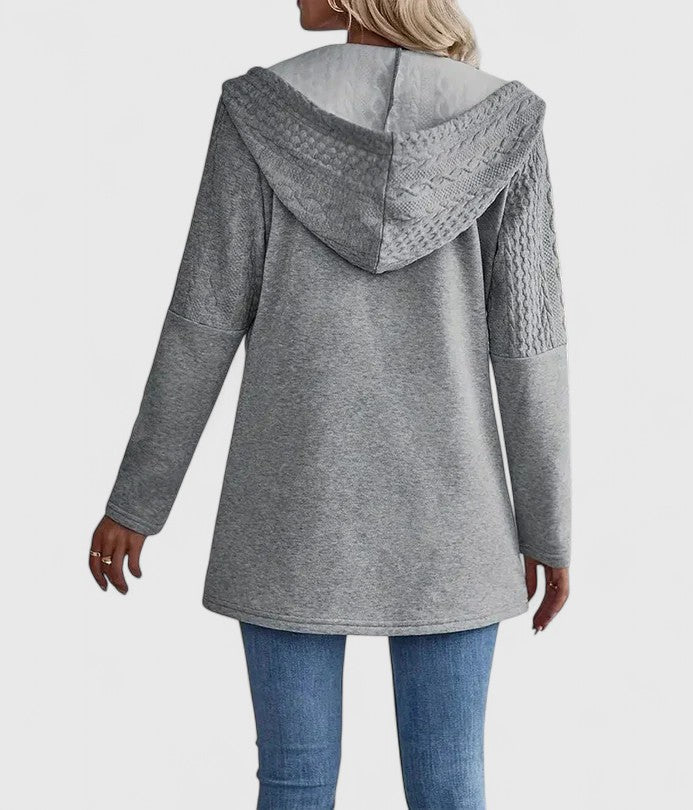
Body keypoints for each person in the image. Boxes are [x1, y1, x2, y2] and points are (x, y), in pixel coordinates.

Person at [89, 1, 571, 806]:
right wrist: (549, 527)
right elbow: (531, 344)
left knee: (294, 782)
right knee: (450, 784)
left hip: (290, 505)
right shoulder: (499, 124)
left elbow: (203, 318)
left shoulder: (260, 113)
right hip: (452, 517)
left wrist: (136, 501)